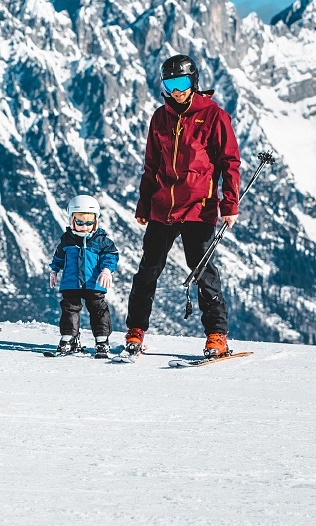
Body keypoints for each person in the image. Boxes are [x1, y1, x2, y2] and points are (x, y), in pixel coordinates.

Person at [125, 54, 241, 358]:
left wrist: (230, 204)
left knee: (202, 270)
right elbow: (151, 165)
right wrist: (144, 203)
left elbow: (230, 163)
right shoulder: (159, 118)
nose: (176, 90)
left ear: (194, 82)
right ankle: (136, 330)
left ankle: (217, 334)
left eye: (182, 82)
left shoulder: (215, 116)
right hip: (163, 206)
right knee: (148, 269)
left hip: (199, 207)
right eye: (170, 83)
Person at [49, 195, 119, 358]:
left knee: (98, 309)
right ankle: (69, 337)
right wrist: (54, 269)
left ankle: (102, 340)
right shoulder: (67, 240)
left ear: (95, 221)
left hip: (93, 283)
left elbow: (111, 255)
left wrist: (107, 270)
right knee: (69, 309)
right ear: (71, 220)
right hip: (71, 283)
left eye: (88, 222)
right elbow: (59, 256)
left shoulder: (101, 241)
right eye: (79, 222)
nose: (84, 226)